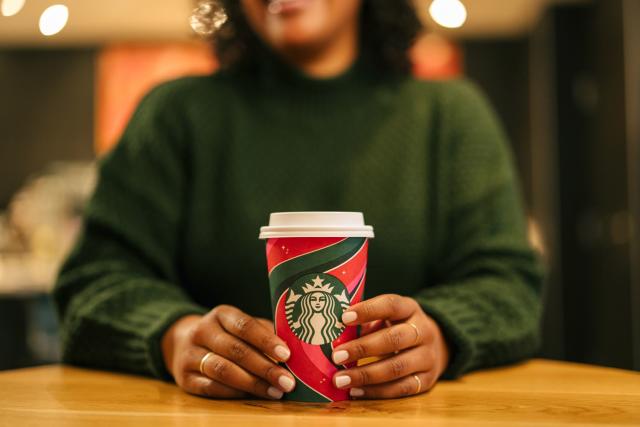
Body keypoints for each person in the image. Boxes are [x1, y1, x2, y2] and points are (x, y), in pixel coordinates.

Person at [53, 0, 544, 401]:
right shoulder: (175, 116)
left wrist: (438, 335)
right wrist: (174, 335)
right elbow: (93, 281)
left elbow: (509, 286)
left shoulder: (451, 117)